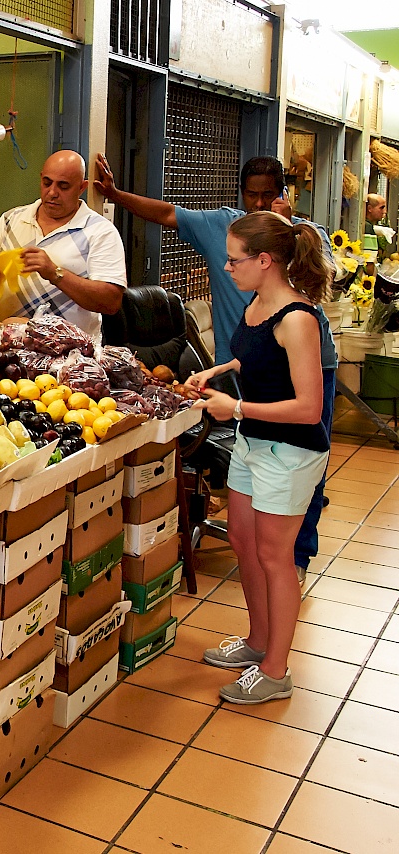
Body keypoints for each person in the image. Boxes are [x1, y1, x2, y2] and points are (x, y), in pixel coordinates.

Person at [94, 154, 335, 582]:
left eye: (269, 194)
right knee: (258, 480)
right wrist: (113, 195)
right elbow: (167, 212)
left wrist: (285, 226)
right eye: (251, 193)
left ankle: (295, 557)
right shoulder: (226, 231)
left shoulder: (299, 238)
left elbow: (306, 408)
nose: (259, 202)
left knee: (299, 468)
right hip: (246, 370)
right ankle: (266, 564)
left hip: (302, 368)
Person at [186, 212, 331, 704]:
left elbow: (309, 408)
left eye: (234, 260)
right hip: (253, 442)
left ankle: (275, 670)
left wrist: (237, 407)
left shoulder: (298, 319)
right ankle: (256, 641)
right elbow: (259, 359)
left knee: (275, 557)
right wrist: (221, 370)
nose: (227, 268)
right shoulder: (256, 305)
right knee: (246, 545)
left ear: (265, 261)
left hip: (288, 453)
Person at [0, 150, 127, 342]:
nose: (52, 193)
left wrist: (55, 273)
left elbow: (111, 302)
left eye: (63, 186)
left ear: (81, 187)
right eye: (47, 183)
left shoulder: (100, 232)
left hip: (71, 357)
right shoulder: (11, 219)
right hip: (10, 350)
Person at [365, 193, 391, 258]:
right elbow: (369, 260)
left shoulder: (368, 225)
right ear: (369, 208)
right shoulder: (367, 227)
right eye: (381, 208)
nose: (384, 211)